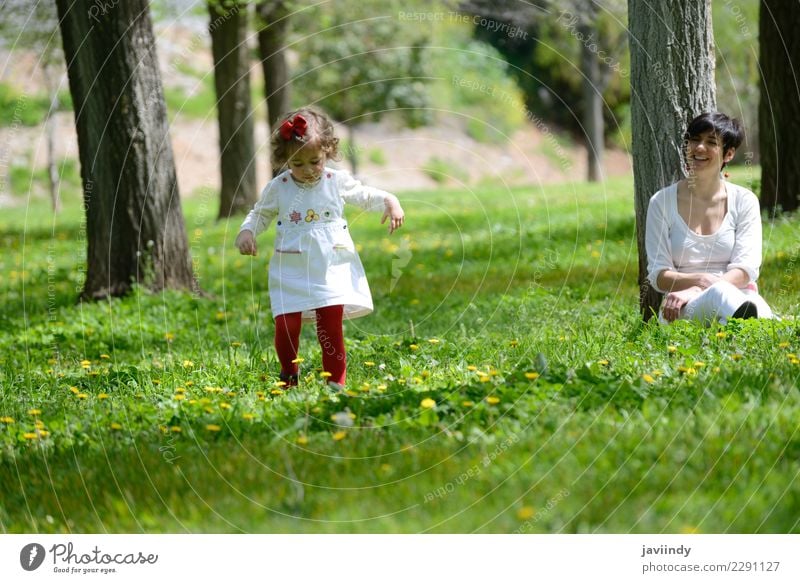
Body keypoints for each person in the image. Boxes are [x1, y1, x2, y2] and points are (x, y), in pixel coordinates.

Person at [235, 107, 405, 389]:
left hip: (331, 265)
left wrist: (389, 200)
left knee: (330, 326)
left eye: (315, 161)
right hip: (291, 266)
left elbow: (362, 194)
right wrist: (247, 231)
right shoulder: (280, 187)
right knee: (286, 325)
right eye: (297, 163)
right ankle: (289, 373)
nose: (307, 170)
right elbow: (260, 213)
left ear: (328, 151)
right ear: (285, 161)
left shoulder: (334, 181)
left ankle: (335, 383)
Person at [645, 112, 772, 324]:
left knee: (754, 311)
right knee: (720, 295)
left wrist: (697, 288)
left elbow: (745, 269)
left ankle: (730, 334)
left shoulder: (744, 201)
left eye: (711, 142)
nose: (699, 148)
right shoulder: (661, 202)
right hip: (681, 307)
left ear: (729, 154)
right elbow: (658, 275)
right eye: (694, 140)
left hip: (740, 296)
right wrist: (700, 282)